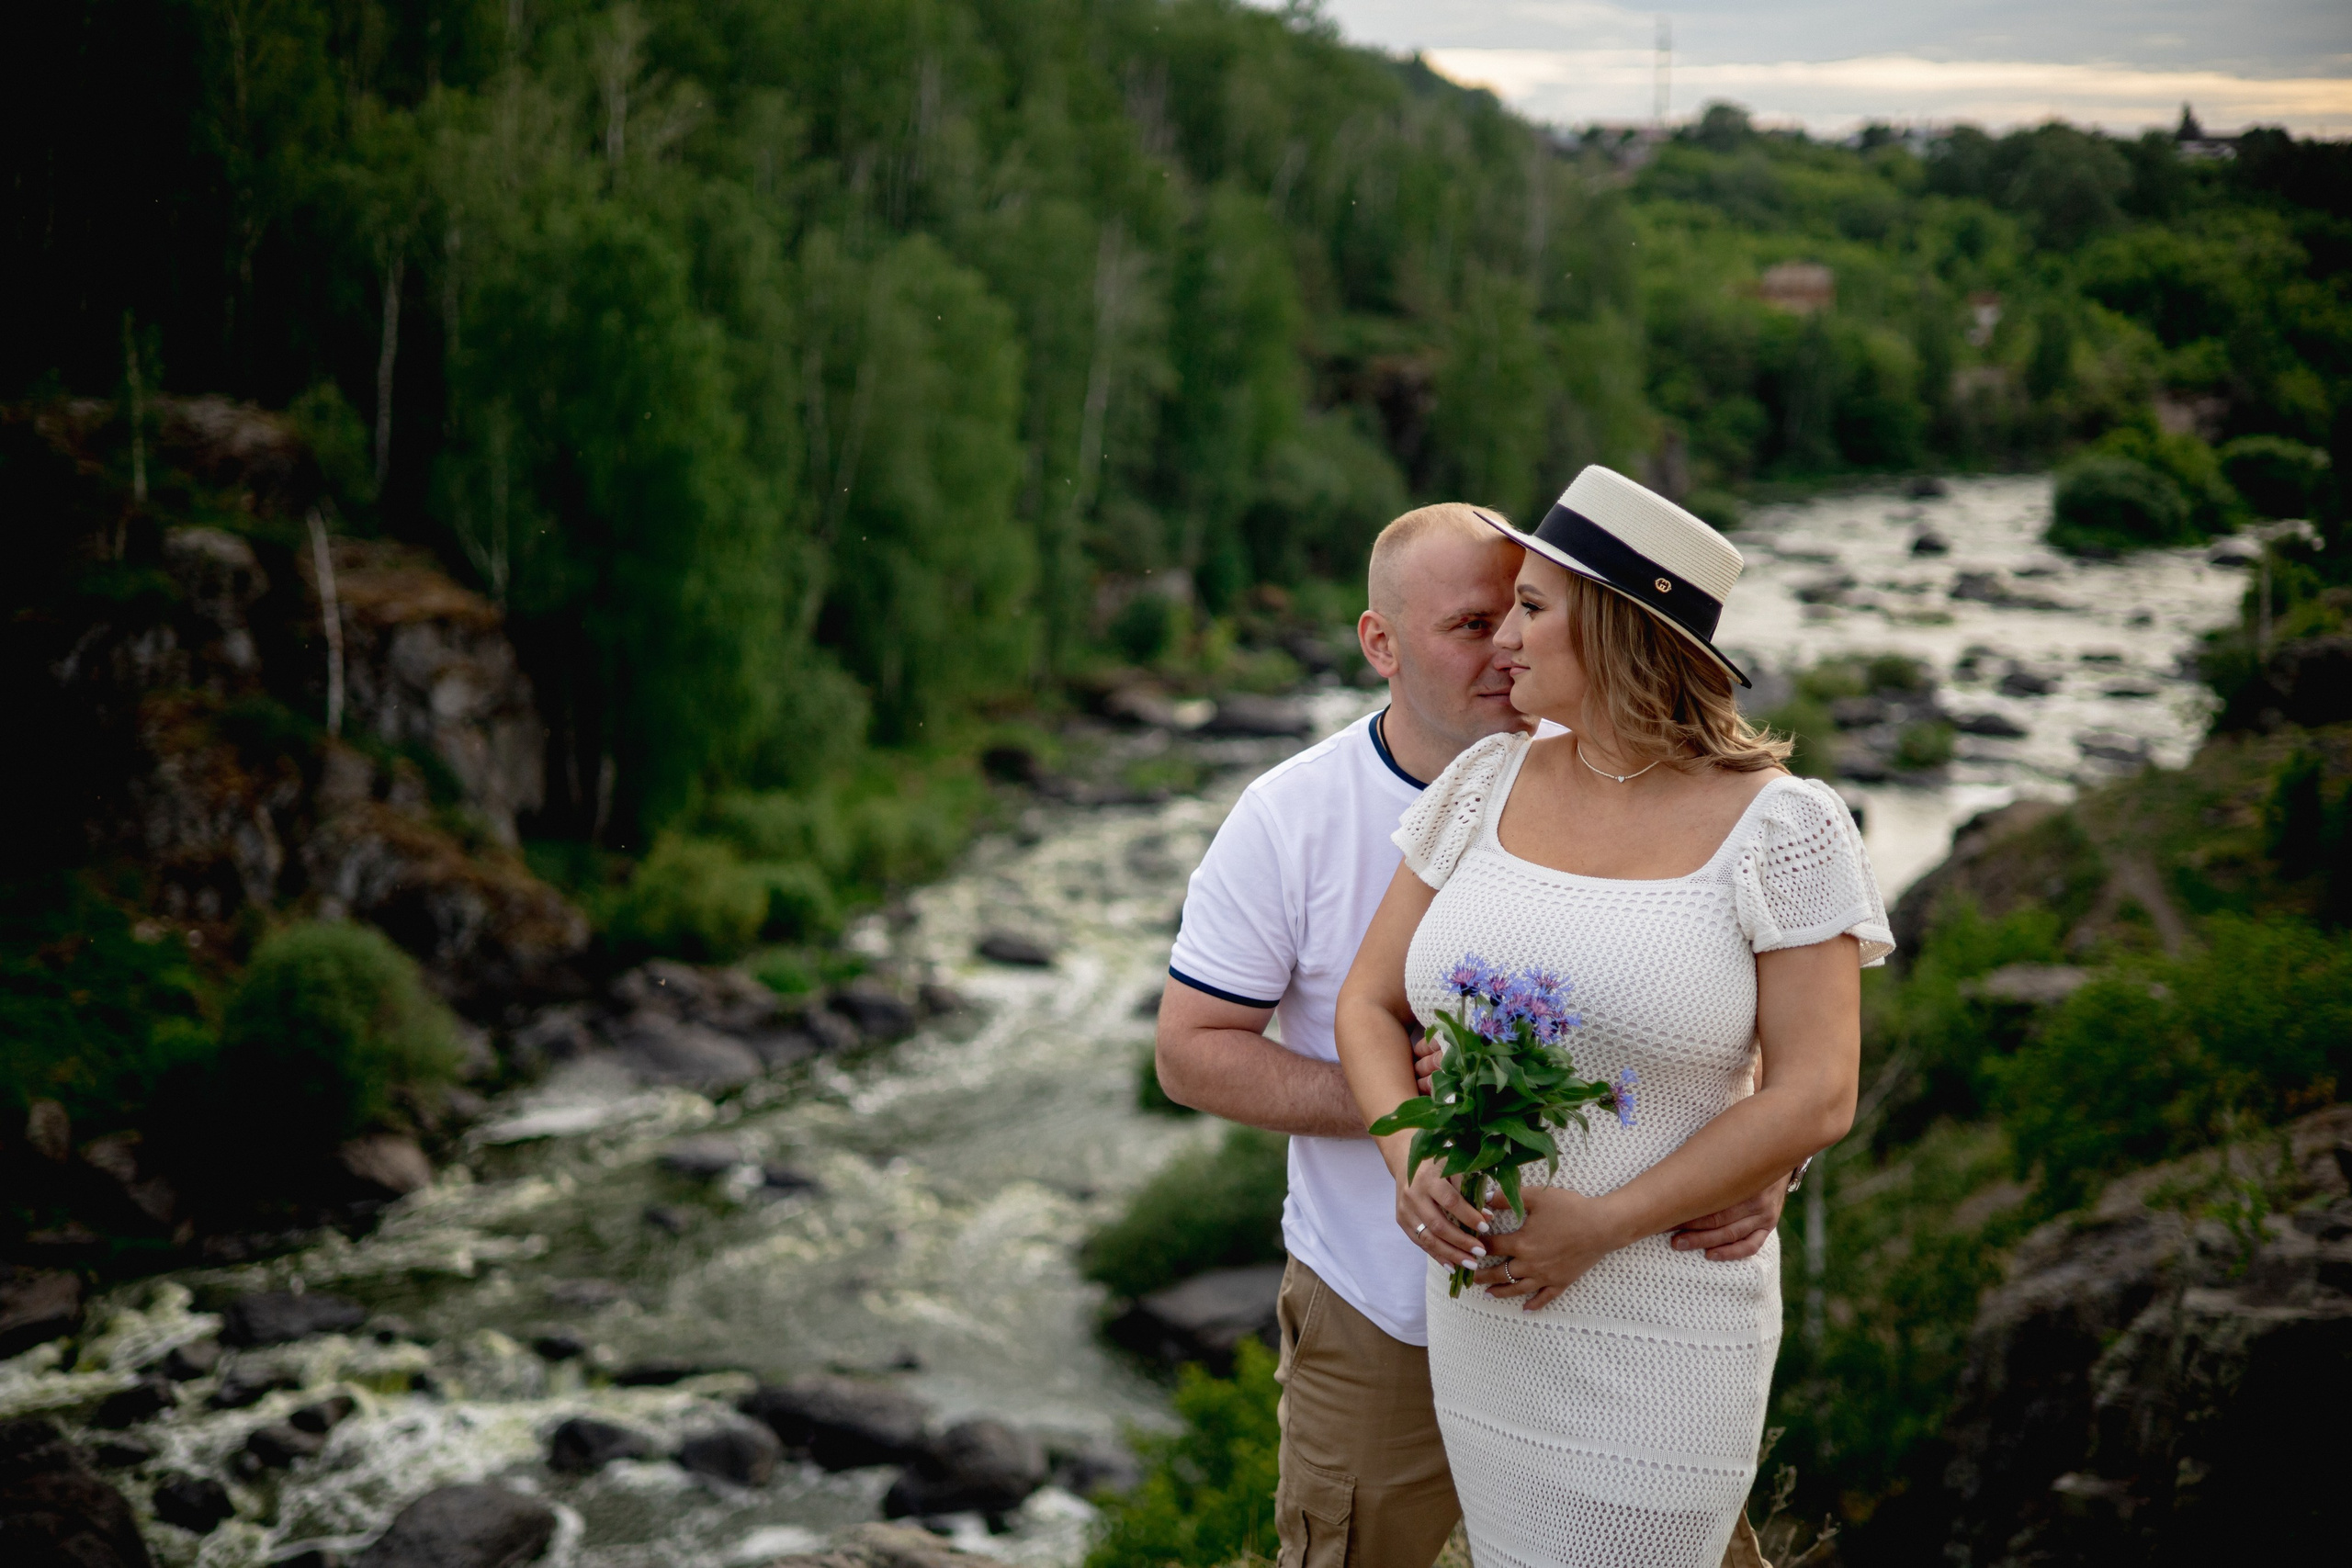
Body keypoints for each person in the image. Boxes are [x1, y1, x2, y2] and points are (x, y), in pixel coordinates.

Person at [1157, 502, 1794, 1568]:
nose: (1506, 648)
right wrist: (1405, 1114)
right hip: (1380, 1310)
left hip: (1610, 1301)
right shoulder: (1287, 815)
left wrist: (1769, 1146)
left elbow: (1716, 995)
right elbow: (1188, 1050)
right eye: (1468, 626)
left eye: (1523, 613)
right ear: (1380, 644)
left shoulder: (1632, 777)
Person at [1333, 467, 1891, 1568]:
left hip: (1663, 1318)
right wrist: (1413, 1155)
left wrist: (1602, 1222)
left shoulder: (1784, 825)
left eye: (1534, 609)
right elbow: (1368, 1000)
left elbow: (1818, 1091)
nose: (1505, 641)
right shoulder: (1484, 782)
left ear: (1622, 632)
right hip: (1488, 1316)